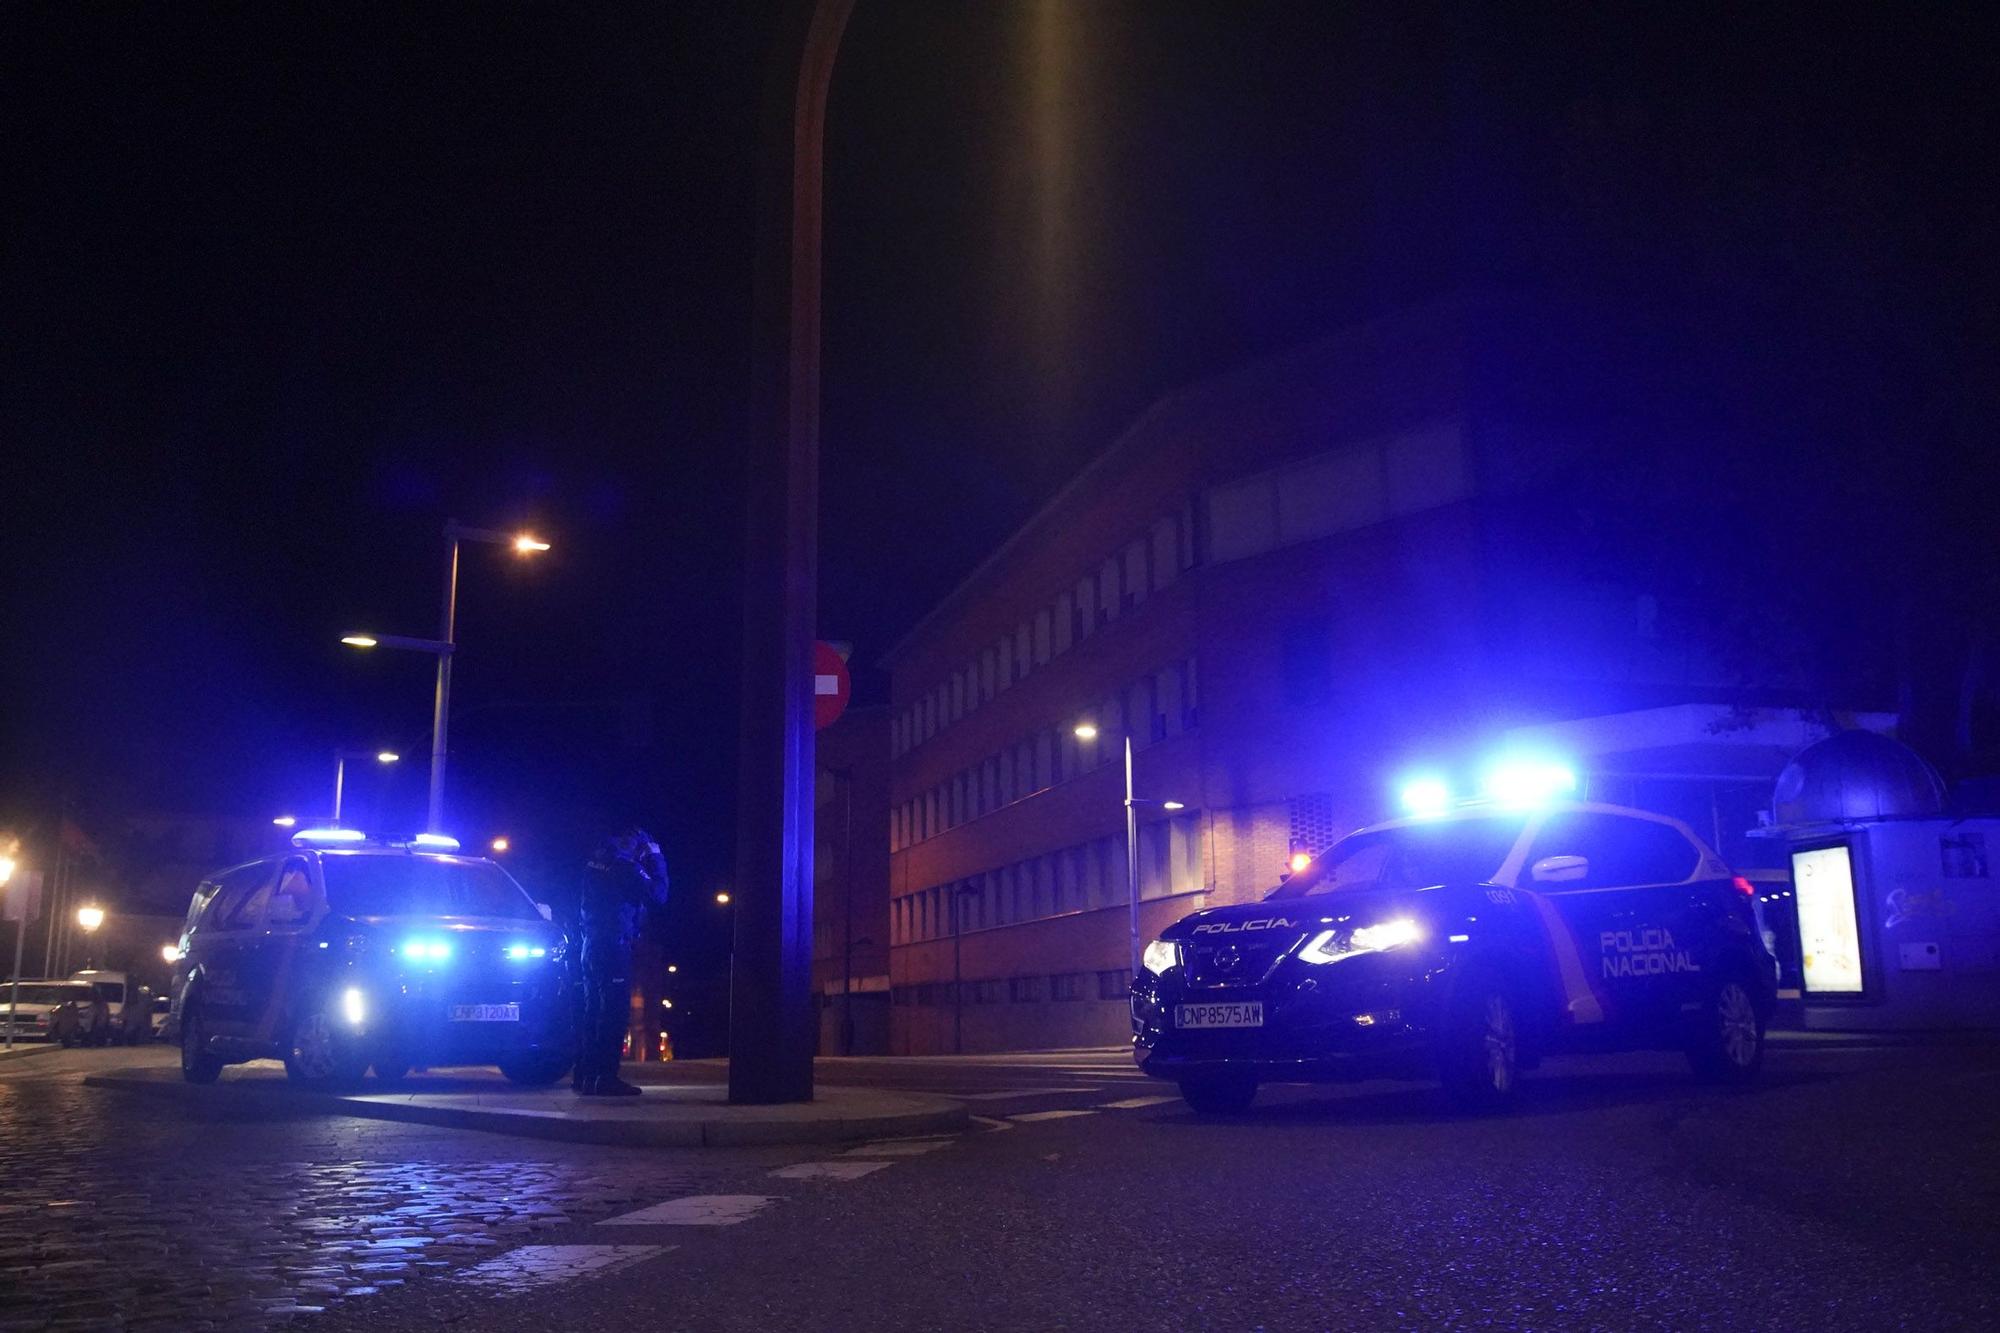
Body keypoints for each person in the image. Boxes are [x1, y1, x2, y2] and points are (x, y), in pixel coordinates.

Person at [572, 825, 669, 1096]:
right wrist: (656, 858)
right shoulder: (624, 868)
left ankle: (584, 1075)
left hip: (590, 945)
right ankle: (605, 1078)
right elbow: (659, 895)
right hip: (613, 947)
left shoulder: (594, 864)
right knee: (613, 1013)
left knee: (592, 1012)